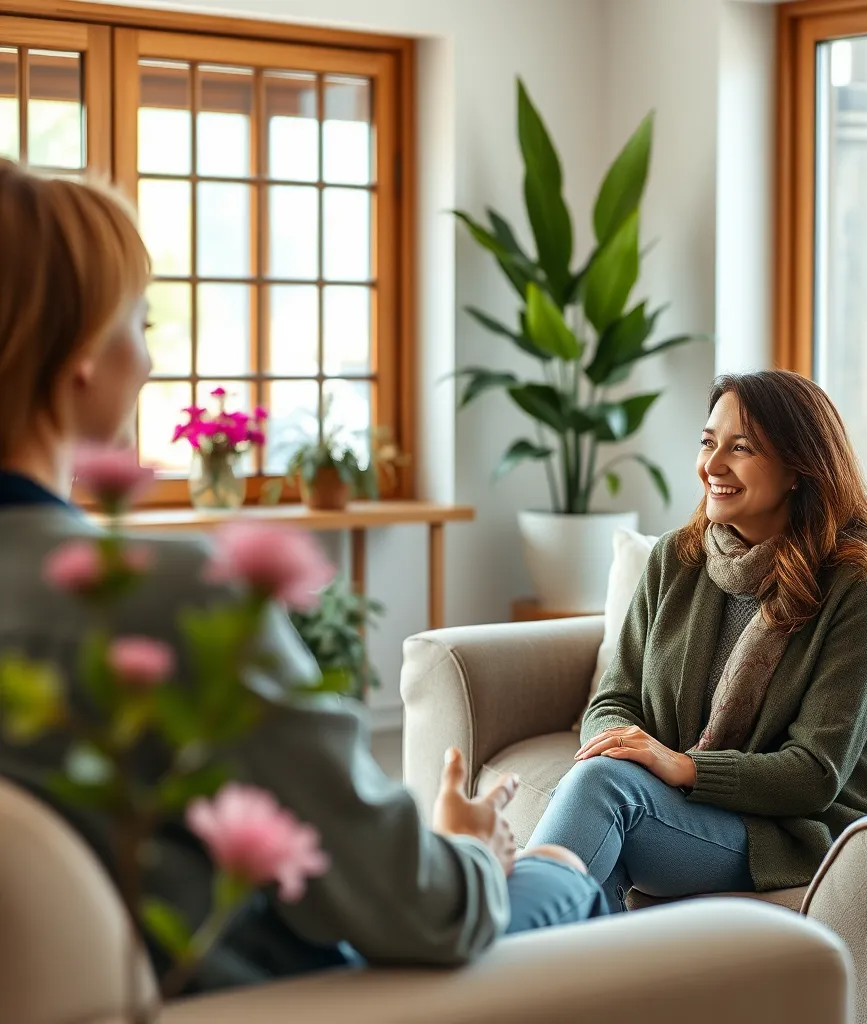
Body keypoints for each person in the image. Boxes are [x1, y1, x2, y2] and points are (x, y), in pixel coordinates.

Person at [0, 159, 606, 992]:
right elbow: (422, 911)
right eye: (138, 321)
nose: (145, 362)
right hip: (259, 995)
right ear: (77, 353)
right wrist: (469, 849)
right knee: (561, 877)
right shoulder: (171, 598)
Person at [527, 370, 867, 911]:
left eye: (741, 448)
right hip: (678, 806)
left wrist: (679, 765)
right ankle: (566, 984)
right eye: (708, 442)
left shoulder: (856, 585)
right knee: (599, 801)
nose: (713, 466)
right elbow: (614, 701)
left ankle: (496, 955)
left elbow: (814, 773)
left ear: (799, 469)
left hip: (792, 829)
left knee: (599, 791)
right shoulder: (676, 559)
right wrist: (625, 749)